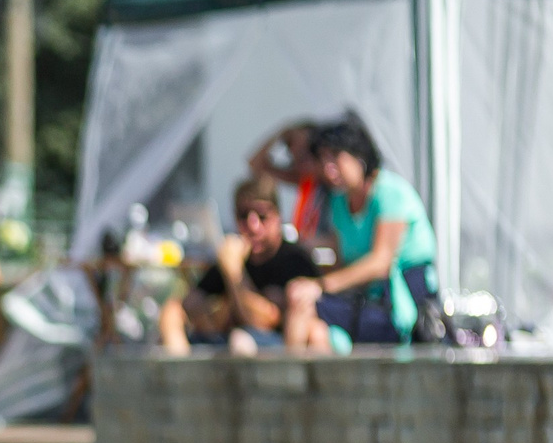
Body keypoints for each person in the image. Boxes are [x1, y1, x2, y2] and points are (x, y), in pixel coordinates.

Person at [284, 117, 440, 353]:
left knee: (303, 302)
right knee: (314, 330)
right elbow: (340, 261)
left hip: (401, 309)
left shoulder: (389, 192)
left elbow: (380, 263)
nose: (328, 169)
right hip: (365, 302)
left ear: (359, 155)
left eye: (335, 157)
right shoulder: (338, 201)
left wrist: (319, 286)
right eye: (323, 160)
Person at [158, 177, 319, 357]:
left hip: (277, 350)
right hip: (229, 341)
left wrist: (234, 273)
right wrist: (214, 314)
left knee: (240, 341)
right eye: (243, 216)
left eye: (262, 216)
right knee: (171, 312)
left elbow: (262, 321)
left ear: (278, 216)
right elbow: (191, 304)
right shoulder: (235, 254)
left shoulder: (294, 259)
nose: (253, 226)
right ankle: (180, 378)